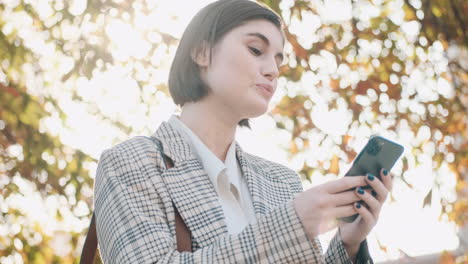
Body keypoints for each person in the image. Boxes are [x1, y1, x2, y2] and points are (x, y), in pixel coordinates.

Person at [93, 0, 393, 263]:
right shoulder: (131, 163)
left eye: (278, 59)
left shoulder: (282, 182)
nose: (273, 70)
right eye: (256, 50)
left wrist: (347, 246)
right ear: (202, 52)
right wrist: (291, 224)